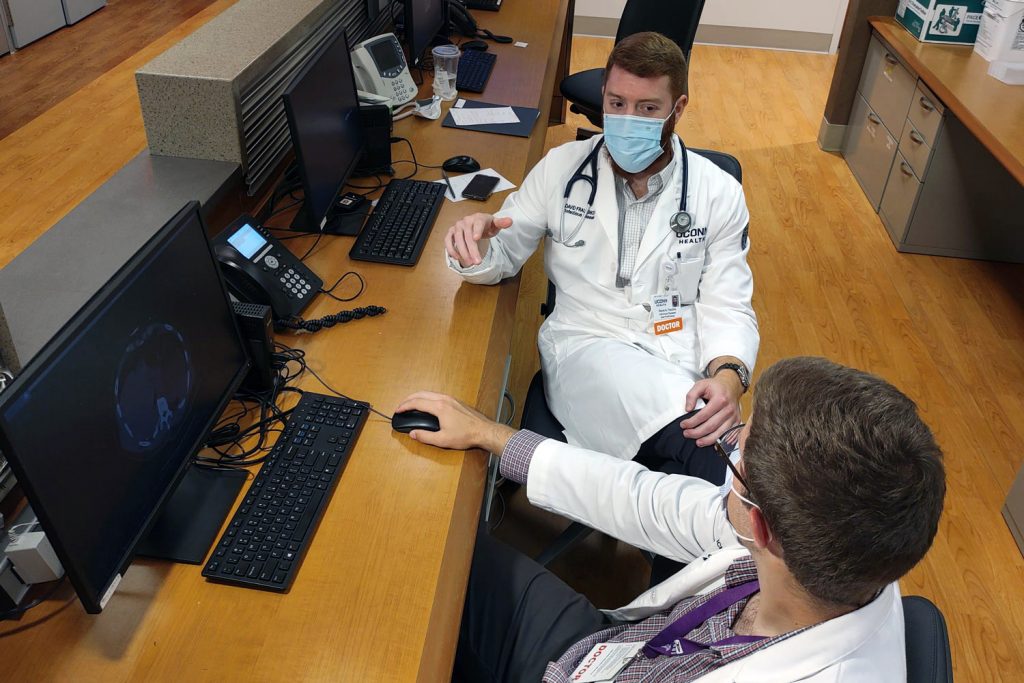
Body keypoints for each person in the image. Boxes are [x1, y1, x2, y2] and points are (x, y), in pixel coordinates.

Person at [395, 357, 946, 682]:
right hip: (604, 651)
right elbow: (648, 500)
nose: (726, 458)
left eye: (734, 457)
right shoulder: (850, 535)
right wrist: (492, 436)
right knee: (435, 543)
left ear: (761, 527)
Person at [443, 32, 758, 481]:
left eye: (648, 109)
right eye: (616, 104)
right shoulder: (561, 168)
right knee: (714, 452)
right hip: (587, 348)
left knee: (697, 478)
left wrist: (729, 376)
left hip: (678, 357)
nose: (628, 119)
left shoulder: (718, 193)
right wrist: (475, 245)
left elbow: (728, 302)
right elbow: (502, 255)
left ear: (678, 108)